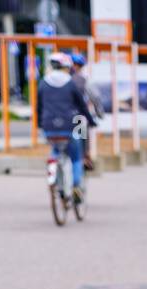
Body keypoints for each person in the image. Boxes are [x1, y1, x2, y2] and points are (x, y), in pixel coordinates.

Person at [37, 51, 97, 201]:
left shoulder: (43, 82)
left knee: (56, 149)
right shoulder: (79, 80)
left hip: (49, 125)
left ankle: (55, 174)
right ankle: (79, 177)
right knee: (79, 151)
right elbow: (92, 100)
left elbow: (39, 106)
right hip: (75, 121)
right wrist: (94, 118)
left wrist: (40, 124)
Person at [69, 52, 103, 172]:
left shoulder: (65, 78)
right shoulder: (84, 80)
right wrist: (99, 113)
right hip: (78, 116)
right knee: (83, 139)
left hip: (63, 116)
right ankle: (85, 158)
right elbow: (95, 97)